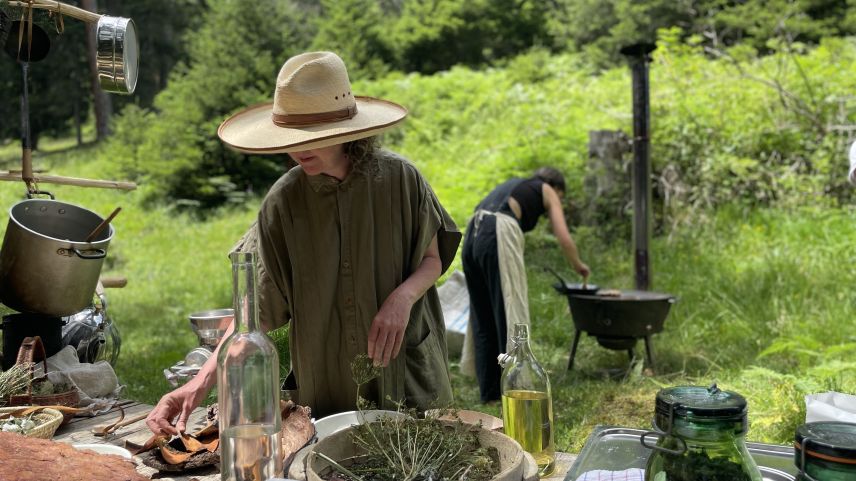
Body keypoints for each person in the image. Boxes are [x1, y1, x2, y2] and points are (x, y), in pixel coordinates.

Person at [146, 51, 461, 436]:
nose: (298, 150)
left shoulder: (399, 180)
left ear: (347, 132)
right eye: (290, 139)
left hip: (405, 372)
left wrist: (402, 299)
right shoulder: (282, 203)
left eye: (311, 137)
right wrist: (198, 384)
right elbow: (253, 316)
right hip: (329, 382)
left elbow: (432, 259)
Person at [462, 167, 590, 403]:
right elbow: (562, 234)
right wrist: (578, 265)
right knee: (510, 311)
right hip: (497, 231)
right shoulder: (548, 190)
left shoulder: (515, 184)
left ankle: (490, 394)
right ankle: (515, 389)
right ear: (557, 188)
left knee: (483, 316)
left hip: (472, 233)